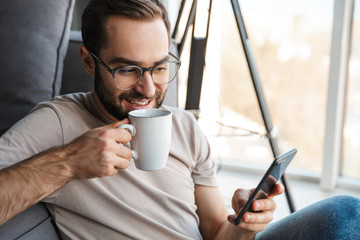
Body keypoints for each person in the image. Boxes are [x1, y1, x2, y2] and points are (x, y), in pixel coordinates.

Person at [0, 0, 359, 239]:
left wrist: (245, 224)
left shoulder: (185, 127)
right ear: (88, 61)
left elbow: (218, 231)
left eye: (158, 67)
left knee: (345, 213)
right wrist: (68, 163)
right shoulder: (57, 123)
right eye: (127, 69)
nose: (147, 88)